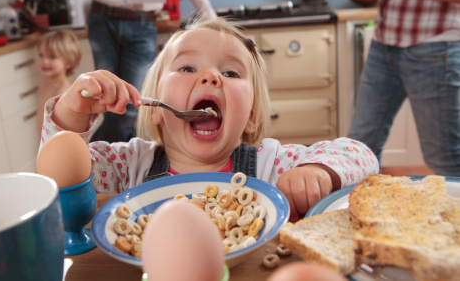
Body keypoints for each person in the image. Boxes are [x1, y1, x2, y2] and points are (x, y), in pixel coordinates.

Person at [39, 18, 378, 221]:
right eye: (187, 68)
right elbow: (59, 181)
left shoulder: (272, 165)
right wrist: (71, 114)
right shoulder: (128, 166)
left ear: (251, 116)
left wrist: (317, 172)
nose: (211, 77)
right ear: (154, 106)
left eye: (230, 72)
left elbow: (360, 155)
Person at [80, 0, 216, 143]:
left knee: (132, 107)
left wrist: (211, 21)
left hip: (143, 25)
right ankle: (122, 165)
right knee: (107, 101)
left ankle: (91, 155)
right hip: (103, 20)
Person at [347, 0, 460, 177]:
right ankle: (360, 210)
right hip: (385, 40)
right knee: (358, 146)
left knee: (445, 157)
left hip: (435, 43)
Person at [36, 29, 82, 132]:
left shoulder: (63, 92)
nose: (45, 61)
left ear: (69, 62)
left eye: (52, 57)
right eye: (41, 55)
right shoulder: (46, 83)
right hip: (45, 141)